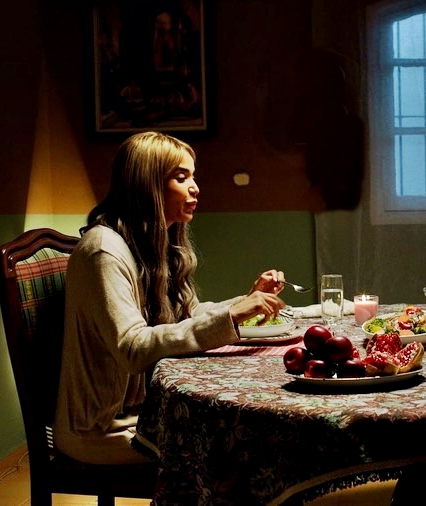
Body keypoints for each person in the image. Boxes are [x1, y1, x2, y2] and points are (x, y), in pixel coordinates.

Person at [54, 131, 288, 465]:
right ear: (147, 184)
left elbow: (187, 316)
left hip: (147, 413)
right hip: (104, 429)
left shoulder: (148, 240)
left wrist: (243, 303)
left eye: (193, 176)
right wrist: (231, 317)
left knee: (249, 435)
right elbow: (133, 349)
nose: (195, 187)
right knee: (242, 446)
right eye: (181, 177)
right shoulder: (104, 250)